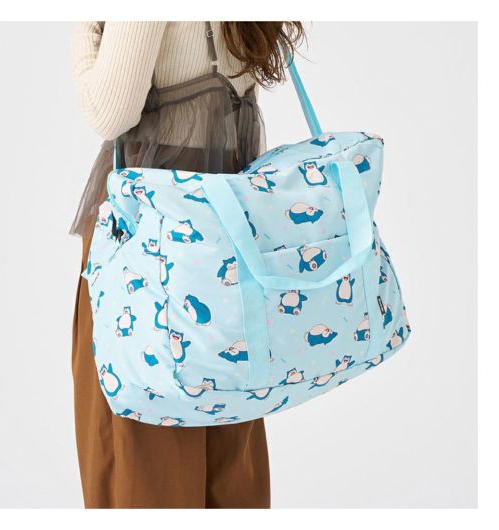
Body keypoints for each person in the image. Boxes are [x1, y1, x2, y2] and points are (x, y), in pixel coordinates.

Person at [70, 21, 305, 509]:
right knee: (228, 439)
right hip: (227, 234)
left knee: (140, 450)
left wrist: (85, 27)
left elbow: (109, 112)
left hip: (149, 239)